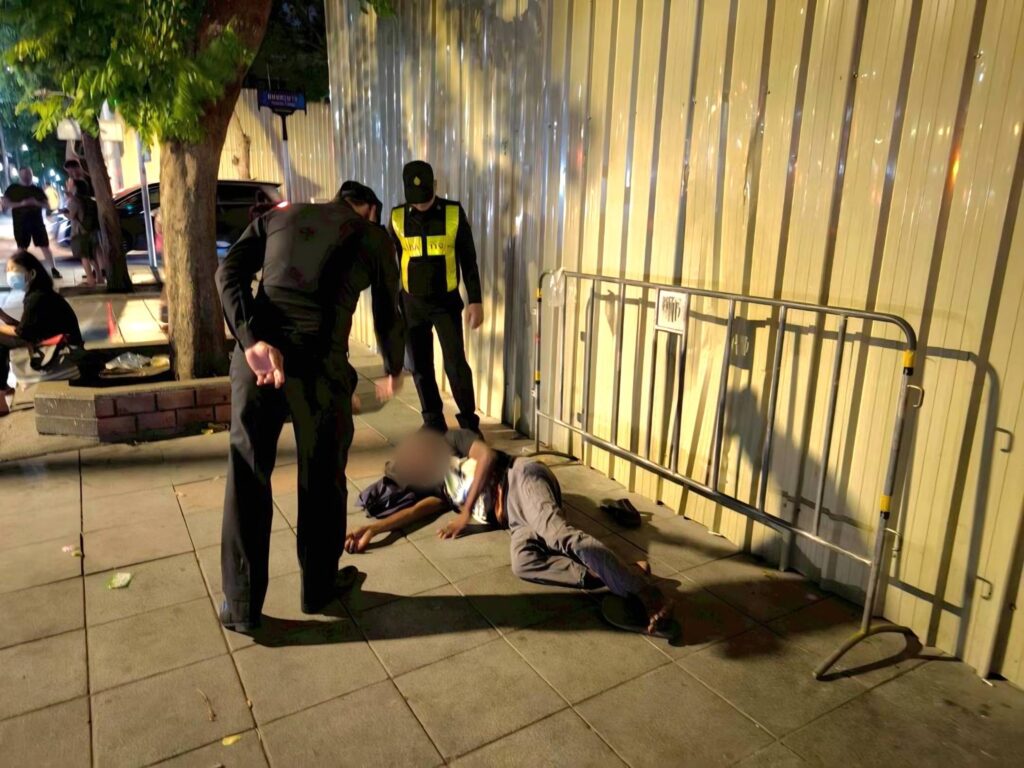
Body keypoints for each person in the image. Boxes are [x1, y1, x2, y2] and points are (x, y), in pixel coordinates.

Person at [215, 180, 405, 633]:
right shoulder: (373, 237)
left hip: (259, 359)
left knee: (247, 474)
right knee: (322, 476)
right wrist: (394, 367)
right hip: (320, 365)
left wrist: (250, 339)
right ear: (368, 209)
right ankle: (318, 587)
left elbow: (228, 273)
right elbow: (388, 310)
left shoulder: (279, 216)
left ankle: (241, 608)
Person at [345, 429, 674, 635]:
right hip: (514, 521)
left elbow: (487, 456)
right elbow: (417, 510)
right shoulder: (440, 486)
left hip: (521, 479)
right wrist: (373, 529)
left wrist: (465, 512)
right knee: (524, 563)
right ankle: (615, 573)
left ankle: (646, 592)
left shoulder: (453, 440)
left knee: (556, 534)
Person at [390, 160, 483, 433]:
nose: (421, 205)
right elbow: (391, 263)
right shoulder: (397, 217)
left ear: (435, 186)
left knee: (455, 364)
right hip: (411, 304)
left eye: (425, 198)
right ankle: (433, 421)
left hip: (446, 304)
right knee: (420, 366)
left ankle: (469, 424)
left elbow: (469, 260)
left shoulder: (453, 213)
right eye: (415, 201)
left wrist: (475, 300)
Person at [0, 251, 84, 415]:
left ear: (31, 273)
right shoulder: (37, 293)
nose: (9, 274)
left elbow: (22, 332)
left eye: (13, 269)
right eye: (7, 270)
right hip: (55, 343)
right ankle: (3, 387)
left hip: (64, 350)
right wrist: (2, 316)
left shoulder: (37, 297)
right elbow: (27, 328)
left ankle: (1, 397)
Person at [2, 167, 62, 279]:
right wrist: (21, 204)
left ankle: (54, 269)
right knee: (21, 248)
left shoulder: (37, 190)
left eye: (28, 174)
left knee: (45, 246)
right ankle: (18, 271)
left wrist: (36, 202)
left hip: (37, 223)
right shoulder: (13, 189)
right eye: (24, 174)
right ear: (19, 175)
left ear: (31, 174)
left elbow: (48, 205)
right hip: (20, 223)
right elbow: (5, 204)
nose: (26, 176)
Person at [66, 176, 102, 286]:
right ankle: (99, 277)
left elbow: (71, 216)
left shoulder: (75, 201)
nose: (68, 185)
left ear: (75, 187)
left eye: (70, 184)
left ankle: (90, 279)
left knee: (84, 256)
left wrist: (64, 212)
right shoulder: (90, 201)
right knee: (92, 256)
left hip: (80, 233)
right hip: (91, 231)